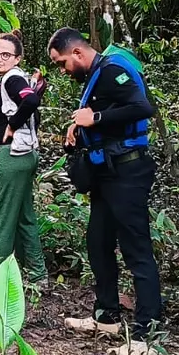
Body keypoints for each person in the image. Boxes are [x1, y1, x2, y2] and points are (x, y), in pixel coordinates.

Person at [48, 27, 162, 338]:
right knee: (98, 244)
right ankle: (106, 317)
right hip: (106, 173)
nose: (63, 70)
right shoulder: (96, 74)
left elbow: (143, 107)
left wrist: (95, 119)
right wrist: (80, 129)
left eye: (62, 63)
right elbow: (110, 111)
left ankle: (146, 333)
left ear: (77, 53)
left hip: (128, 172)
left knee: (136, 249)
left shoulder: (112, 69)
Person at [0, 30, 48, 283]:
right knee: (22, 217)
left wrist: (12, 125)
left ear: (17, 58)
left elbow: (30, 101)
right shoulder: (12, 79)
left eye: (6, 55)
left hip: (11, 157)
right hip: (23, 156)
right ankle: (37, 274)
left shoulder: (12, 78)